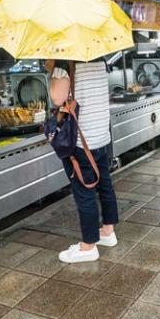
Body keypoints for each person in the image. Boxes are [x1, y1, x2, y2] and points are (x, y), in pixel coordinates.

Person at [47, 60, 118, 263]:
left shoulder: (65, 62)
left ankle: (88, 246)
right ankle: (107, 231)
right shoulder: (99, 58)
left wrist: (54, 70)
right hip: (101, 135)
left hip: (81, 140)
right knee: (104, 185)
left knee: (84, 192)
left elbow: (57, 97)